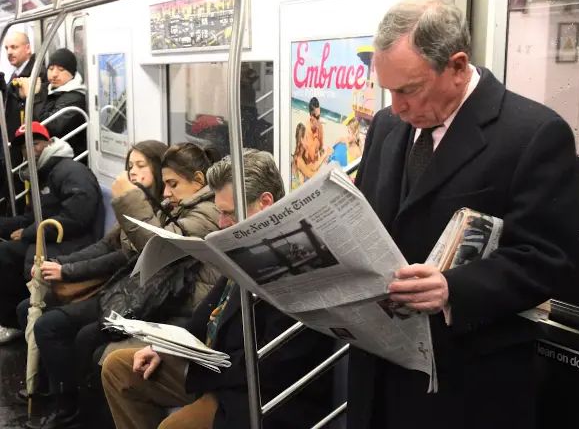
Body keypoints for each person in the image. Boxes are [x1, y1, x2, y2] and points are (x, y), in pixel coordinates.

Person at [350, 0, 577, 429]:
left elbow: (547, 260)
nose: (396, 106)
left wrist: (452, 289)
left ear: (456, 66)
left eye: (408, 90)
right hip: (378, 372)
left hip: (467, 383)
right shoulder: (385, 126)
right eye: (389, 90)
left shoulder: (533, 134)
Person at [101, 149, 334, 429]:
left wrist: (203, 370)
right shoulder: (243, 243)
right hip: (219, 366)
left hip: (257, 389)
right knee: (119, 370)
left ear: (264, 203)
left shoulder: (297, 260)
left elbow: (275, 365)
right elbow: (208, 313)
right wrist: (165, 348)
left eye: (228, 213)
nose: (221, 224)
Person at [17, 142, 221, 428]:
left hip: (161, 303)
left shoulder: (202, 213)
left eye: (142, 167)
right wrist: (65, 267)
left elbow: (157, 250)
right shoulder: (173, 205)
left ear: (198, 182)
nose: (166, 191)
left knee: (86, 339)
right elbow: (110, 245)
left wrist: (70, 270)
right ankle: (67, 406)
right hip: (141, 294)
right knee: (57, 326)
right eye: (130, 167)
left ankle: (77, 414)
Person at [0, 122, 102, 344]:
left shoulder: (69, 170)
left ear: (49, 142)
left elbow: (78, 216)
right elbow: (34, 215)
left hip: (76, 240)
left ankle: (12, 321)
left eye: (35, 143)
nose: (30, 151)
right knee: (7, 251)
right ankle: (17, 319)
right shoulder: (45, 173)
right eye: (25, 147)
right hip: (54, 234)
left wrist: (28, 233)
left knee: (6, 254)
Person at [36, 48, 88, 158]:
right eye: (51, 68)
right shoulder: (50, 89)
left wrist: (36, 97)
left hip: (69, 157)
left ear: (72, 73)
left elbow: (51, 127)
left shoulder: (75, 97)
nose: (54, 74)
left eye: (61, 69)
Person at [2, 32, 47, 143]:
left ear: (27, 48)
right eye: (6, 48)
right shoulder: (16, 73)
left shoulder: (36, 73)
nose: (9, 52)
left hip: (24, 139)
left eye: (14, 47)